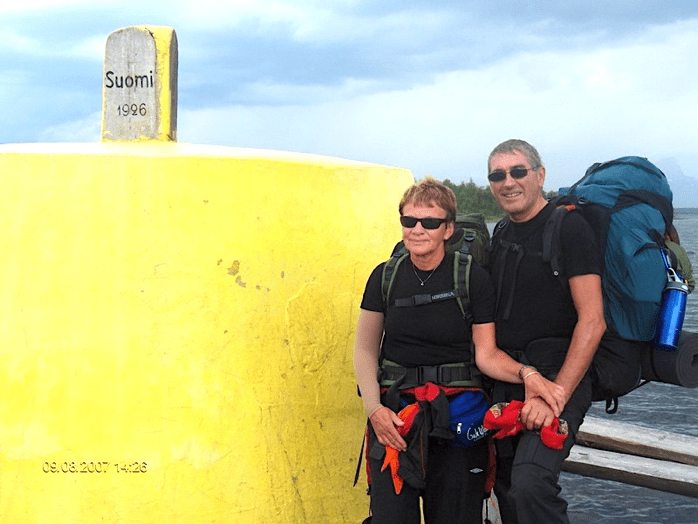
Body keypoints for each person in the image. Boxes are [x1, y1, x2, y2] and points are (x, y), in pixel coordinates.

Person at [354, 176, 566, 523]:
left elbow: (487, 354)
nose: (417, 230)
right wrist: (374, 409)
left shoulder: (471, 278)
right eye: (409, 220)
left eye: (430, 222)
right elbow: (364, 349)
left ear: (448, 229)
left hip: (460, 419)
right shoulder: (384, 277)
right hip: (396, 417)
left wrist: (527, 374)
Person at [486, 139, 606, 524]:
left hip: (559, 374)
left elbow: (593, 320)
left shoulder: (568, 228)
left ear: (540, 175)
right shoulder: (502, 232)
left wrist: (555, 395)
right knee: (505, 485)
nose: (508, 182)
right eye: (498, 175)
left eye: (518, 171)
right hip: (512, 378)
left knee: (531, 483)